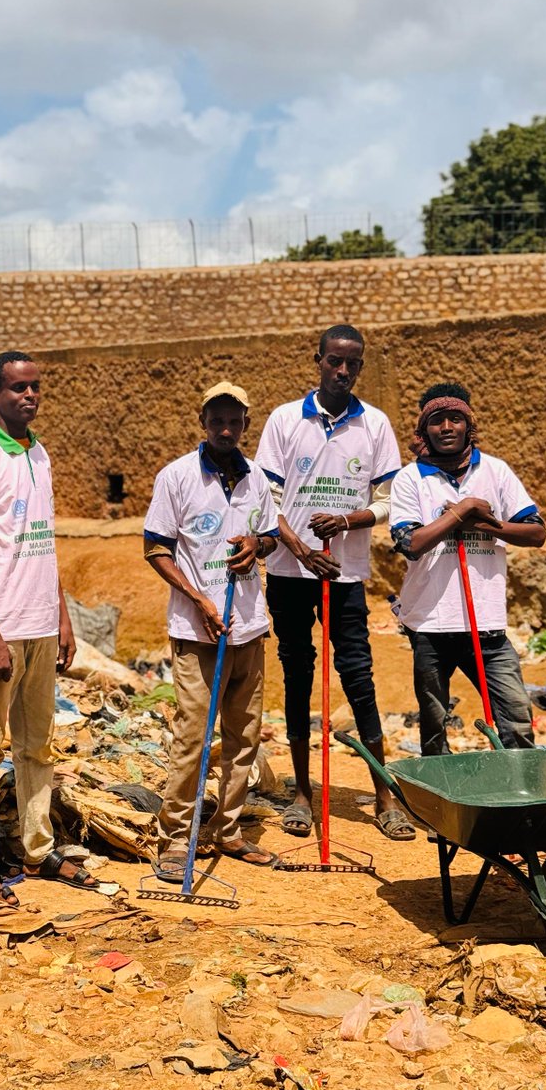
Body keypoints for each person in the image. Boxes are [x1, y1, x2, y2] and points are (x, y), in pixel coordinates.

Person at [255, 324, 414, 841]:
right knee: (297, 673)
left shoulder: (375, 424)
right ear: (318, 360)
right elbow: (267, 502)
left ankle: (385, 796)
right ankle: (302, 793)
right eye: (334, 361)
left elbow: (389, 502)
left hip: (345, 573)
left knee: (358, 676)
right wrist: (301, 550)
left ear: (360, 367)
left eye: (353, 364)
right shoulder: (285, 419)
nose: (343, 371)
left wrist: (347, 520)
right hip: (289, 573)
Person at [0, 350, 97, 901]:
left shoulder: (40, 453)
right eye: (17, 387)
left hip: (40, 625)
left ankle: (38, 849)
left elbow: (43, 543)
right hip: (0, 628)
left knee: (38, 747)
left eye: (35, 386)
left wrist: (62, 617)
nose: (29, 395)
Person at [143, 382, 281, 881]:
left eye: (234, 421)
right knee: (192, 739)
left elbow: (270, 535)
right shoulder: (177, 477)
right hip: (197, 631)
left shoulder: (257, 478)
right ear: (203, 422)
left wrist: (257, 544)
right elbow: (155, 548)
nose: (226, 430)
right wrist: (199, 599)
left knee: (243, 738)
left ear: (246, 424)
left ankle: (228, 830)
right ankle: (176, 839)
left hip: (248, 626)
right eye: (217, 420)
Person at [389, 382, 545, 755]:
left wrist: (485, 524)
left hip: (487, 624)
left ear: (468, 425)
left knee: (516, 718)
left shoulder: (496, 471)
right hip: (430, 624)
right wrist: (463, 510)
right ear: (424, 429)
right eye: (437, 420)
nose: (446, 428)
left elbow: (536, 532)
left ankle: (518, 787)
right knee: (434, 725)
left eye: (455, 419)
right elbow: (411, 543)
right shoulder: (410, 478)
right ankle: (438, 790)